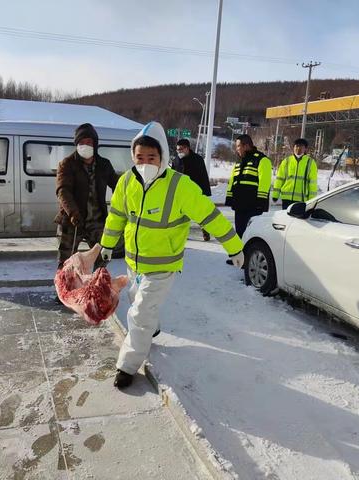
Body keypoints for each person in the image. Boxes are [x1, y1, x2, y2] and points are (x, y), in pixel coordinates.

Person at [99, 122, 244, 389]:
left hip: (164, 265)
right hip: (135, 263)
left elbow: (209, 215)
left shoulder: (180, 186)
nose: (144, 162)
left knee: (140, 313)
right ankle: (151, 328)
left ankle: (127, 365)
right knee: (137, 303)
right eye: (139, 157)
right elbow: (117, 216)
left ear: (163, 156)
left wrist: (233, 245)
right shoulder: (127, 182)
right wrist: (106, 245)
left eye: (151, 157)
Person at [54, 123, 119, 273]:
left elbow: (117, 185)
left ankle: (97, 288)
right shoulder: (67, 164)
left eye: (89, 142)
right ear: (76, 144)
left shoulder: (104, 164)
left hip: (97, 220)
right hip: (72, 220)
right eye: (81, 142)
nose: (85, 145)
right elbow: (63, 190)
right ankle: (63, 293)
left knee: (102, 257)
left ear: (95, 144)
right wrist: (73, 212)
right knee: (66, 261)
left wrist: (123, 204)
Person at [225, 134, 272, 244]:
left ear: (246, 146)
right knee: (239, 231)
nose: (237, 149)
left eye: (238, 146)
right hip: (239, 203)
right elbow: (233, 180)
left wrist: (261, 202)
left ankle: (248, 257)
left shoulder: (261, 159)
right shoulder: (239, 161)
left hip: (254, 205)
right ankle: (239, 258)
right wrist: (229, 196)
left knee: (251, 233)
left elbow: (264, 182)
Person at [174, 138, 212, 241]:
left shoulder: (197, 159)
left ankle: (205, 231)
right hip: (181, 193)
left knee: (200, 214)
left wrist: (205, 193)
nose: (179, 152)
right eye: (177, 150)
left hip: (196, 192)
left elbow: (203, 176)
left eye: (181, 149)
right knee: (181, 216)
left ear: (187, 148)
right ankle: (181, 234)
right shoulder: (176, 160)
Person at [272, 138, 318, 209]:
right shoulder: (286, 161)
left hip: (301, 199)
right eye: (296, 146)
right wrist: (275, 194)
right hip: (286, 198)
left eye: (301, 146)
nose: (298, 148)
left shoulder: (311, 162)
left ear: (305, 149)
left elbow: (312, 183)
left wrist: (312, 199)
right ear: (293, 148)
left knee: (297, 220)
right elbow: (279, 179)